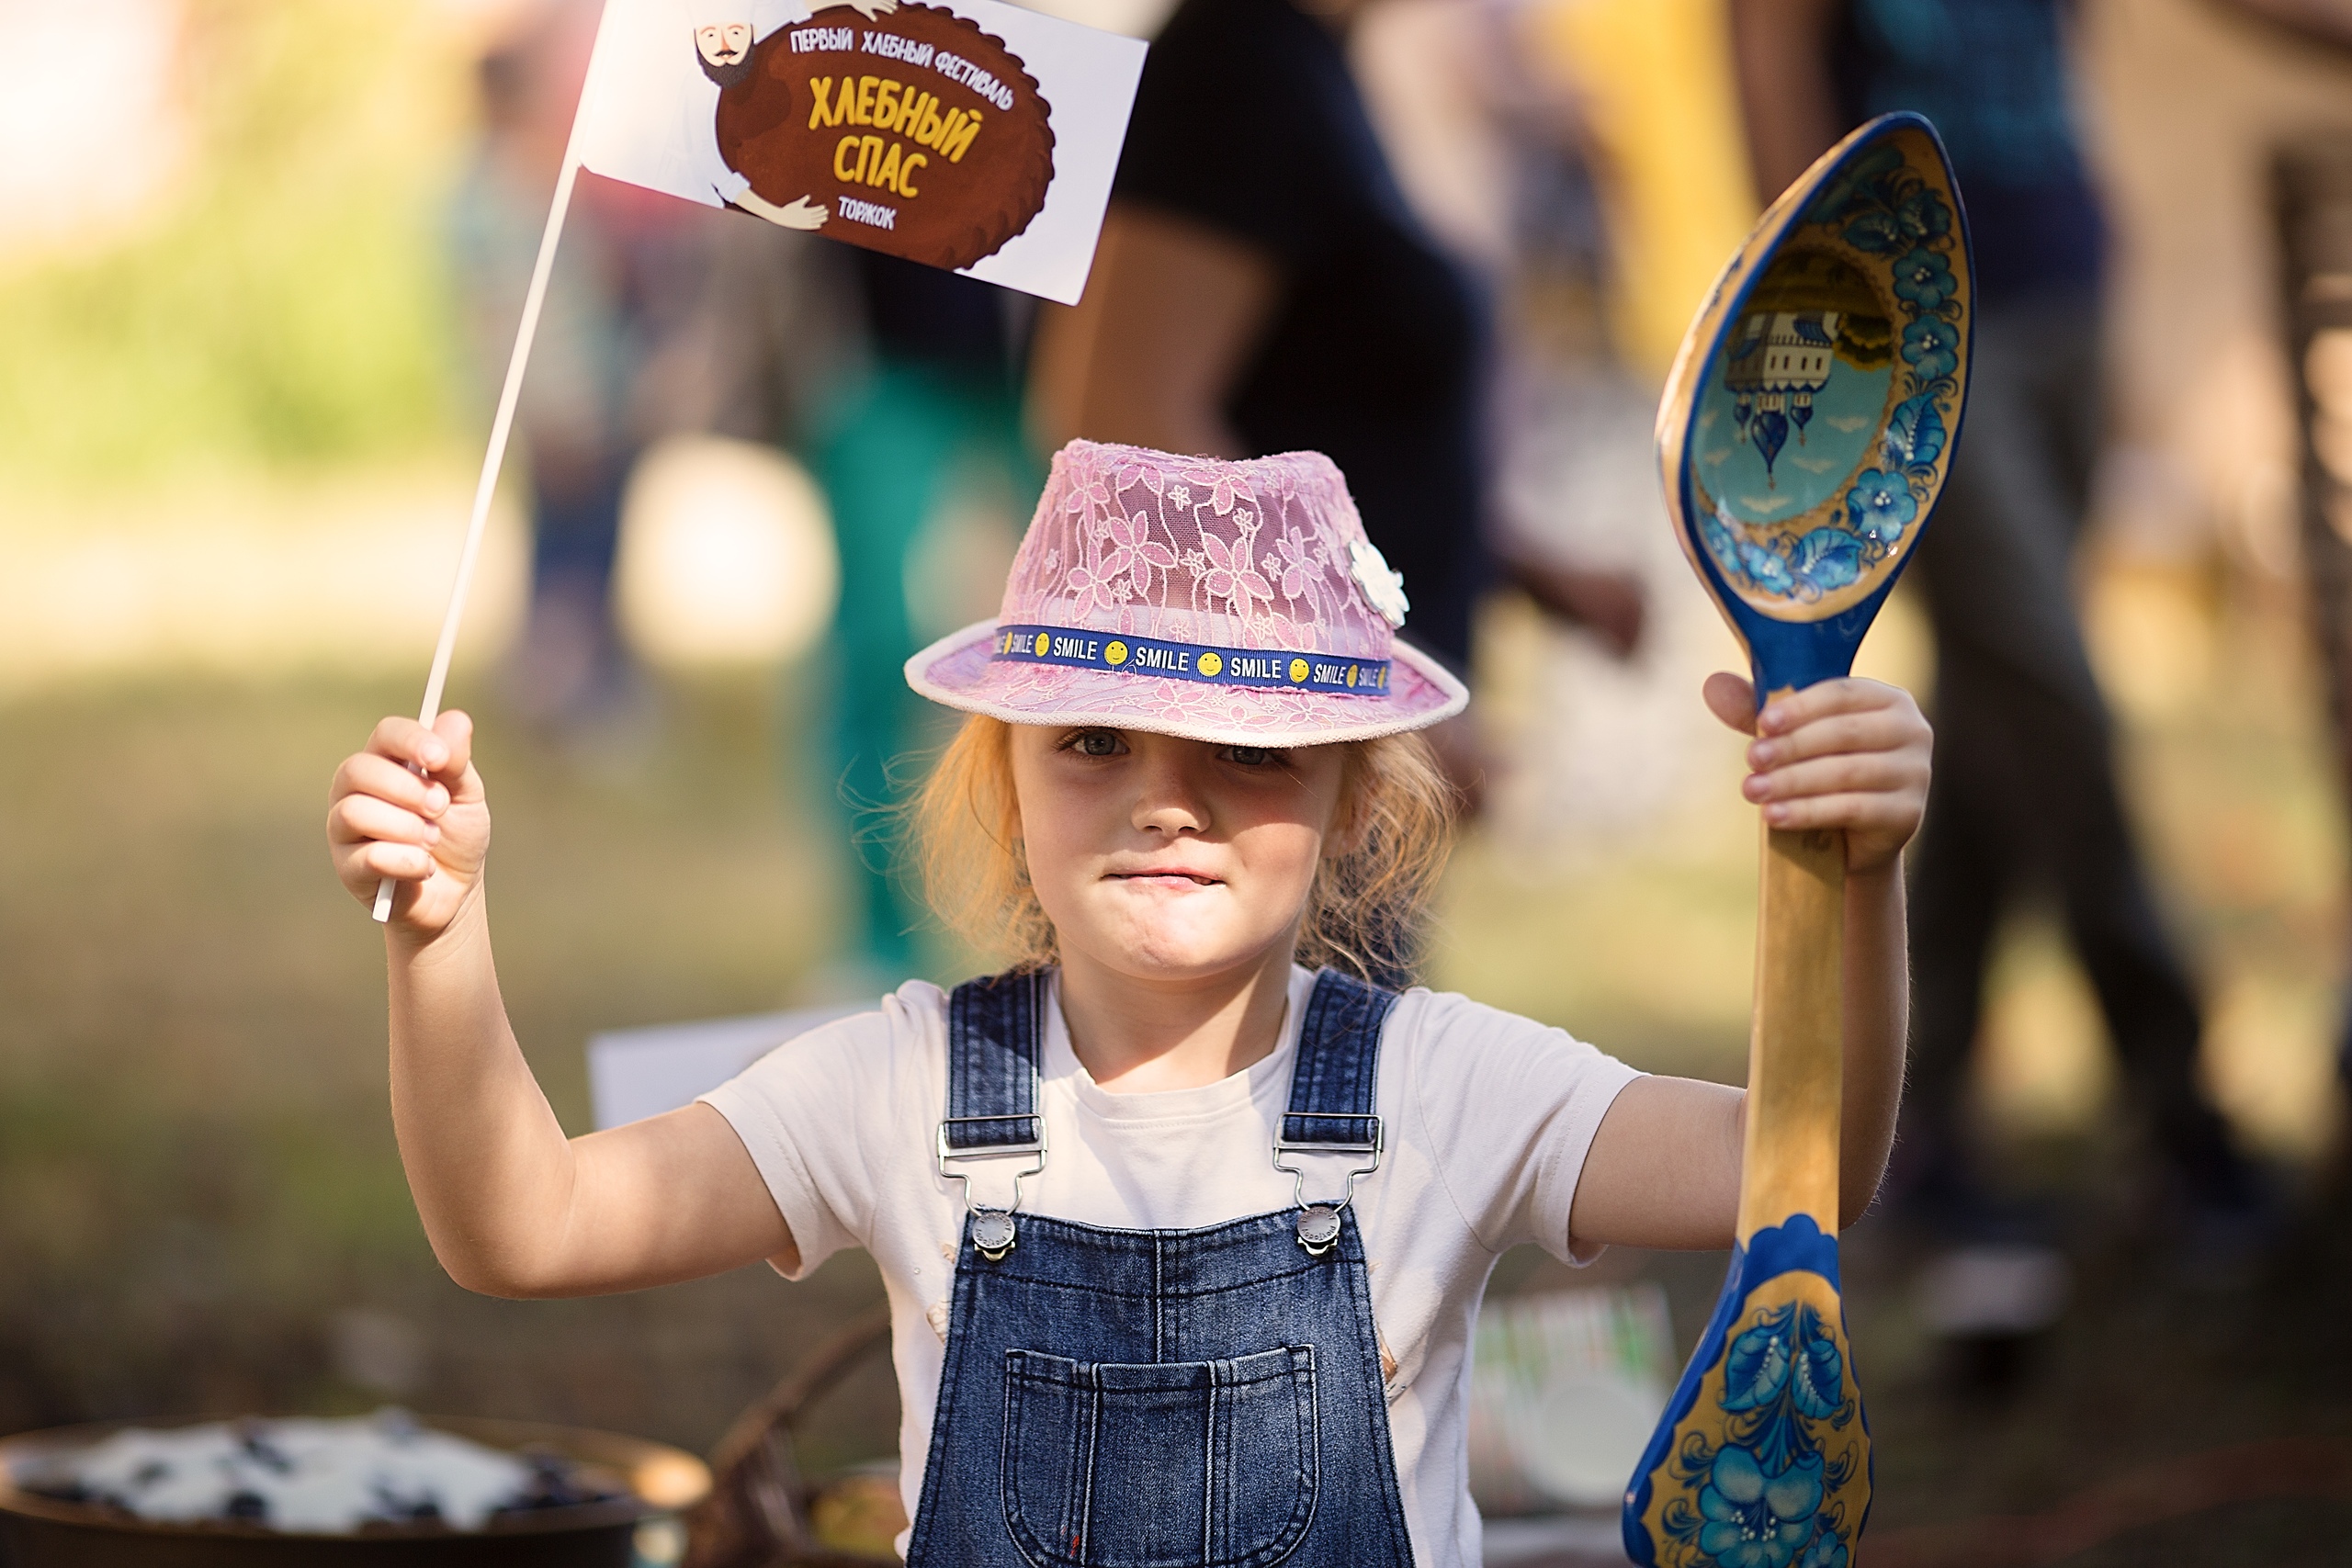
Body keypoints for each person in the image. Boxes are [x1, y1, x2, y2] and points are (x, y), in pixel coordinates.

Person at [326, 440, 1929, 1566]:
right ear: (1006, 779)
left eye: (1247, 752)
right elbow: (520, 1227)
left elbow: (1808, 1164)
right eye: (1095, 739)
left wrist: (1852, 884)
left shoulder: (1443, 1087)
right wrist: (440, 935)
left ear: (1358, 804)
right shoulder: (896, 1089)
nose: (1167, 800)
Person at [1729, 0, 2266, 1247]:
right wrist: (1812, 320)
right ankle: (2182, 1108)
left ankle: (1922, 1117)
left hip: (2069, 288)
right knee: (2052, 689)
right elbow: (1769, 61)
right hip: (1903, 337)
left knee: (1997, 714)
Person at [1027, 0, 1644, 807]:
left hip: (1304, 771)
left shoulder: (1305, 63)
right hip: (1255, 784)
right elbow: (1123, 416)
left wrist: (1528, 570)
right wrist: (1377, 699)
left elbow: (1317, 435)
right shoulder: (1241, 62)